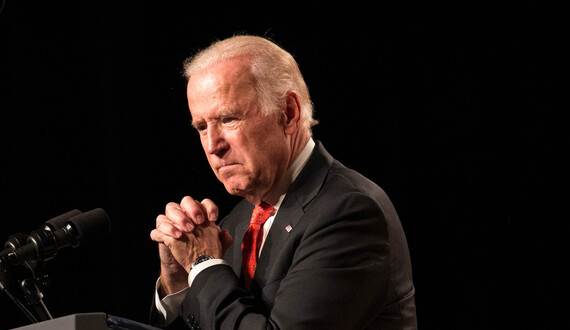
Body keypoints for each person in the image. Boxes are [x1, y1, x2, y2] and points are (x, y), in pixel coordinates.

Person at [149, 35, 417, 329]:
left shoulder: (349, 211)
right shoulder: (235, 223)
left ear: (288, 113)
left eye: (228, 119)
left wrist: (202, 263)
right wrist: (180, 280)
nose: (213, 145)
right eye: (201, 127)